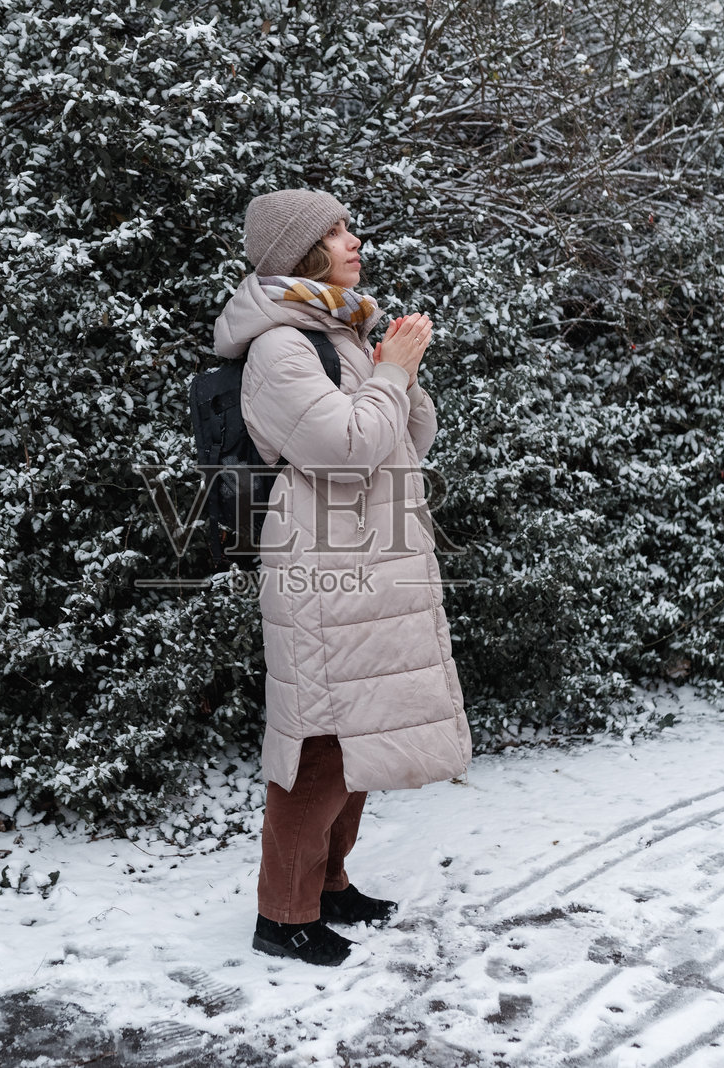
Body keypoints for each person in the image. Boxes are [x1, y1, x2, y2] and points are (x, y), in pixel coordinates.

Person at [213, 189, 472, 966]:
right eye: (337, 231)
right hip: (323, 567)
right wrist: (388, 373)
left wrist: (397, 367)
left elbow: (409, 437)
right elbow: (349, 446)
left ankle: (329, 886)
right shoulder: (279, 348)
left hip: (372, 558)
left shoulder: (338, 330)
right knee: (321, 741)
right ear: (300, 252)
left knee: (357, 731)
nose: (355, 240)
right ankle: (282, 915)